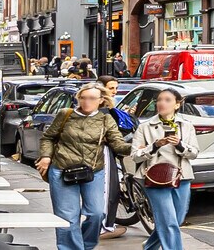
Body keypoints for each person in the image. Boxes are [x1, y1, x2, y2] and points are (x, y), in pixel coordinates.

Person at [35, 82, 130, 250]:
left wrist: (138, 147)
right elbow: (48, 137)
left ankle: (86, 246)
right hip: (62, 169)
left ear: (101, 100)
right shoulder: (66, 114)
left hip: (92, 172)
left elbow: (118, 144)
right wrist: (45, 157)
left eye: (92, 98)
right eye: (83, 98)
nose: (86, 102)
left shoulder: (105, 119)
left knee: (96, 213)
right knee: (68, 217)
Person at [124, 89, 195, 250]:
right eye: (159, 100)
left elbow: (194, 153)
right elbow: (135, 156)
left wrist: (179, 144)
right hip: (154, 177)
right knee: (168, 221)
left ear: (177, 105)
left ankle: (150, 245)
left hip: (181, 176)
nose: (161, 103)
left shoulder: (187, 126)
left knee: (176, 220)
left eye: (167, 100)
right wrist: (155, 145)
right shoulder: (145, 127)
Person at [99, 78, 135, 239]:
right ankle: (104, 227)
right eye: (111, 88)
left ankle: (104, 224)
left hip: (110, 150)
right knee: (108, 189)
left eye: (116, 87)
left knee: (109, 188)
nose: (114, 91)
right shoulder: (102, 110)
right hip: (103, 153)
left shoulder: (109, 108)